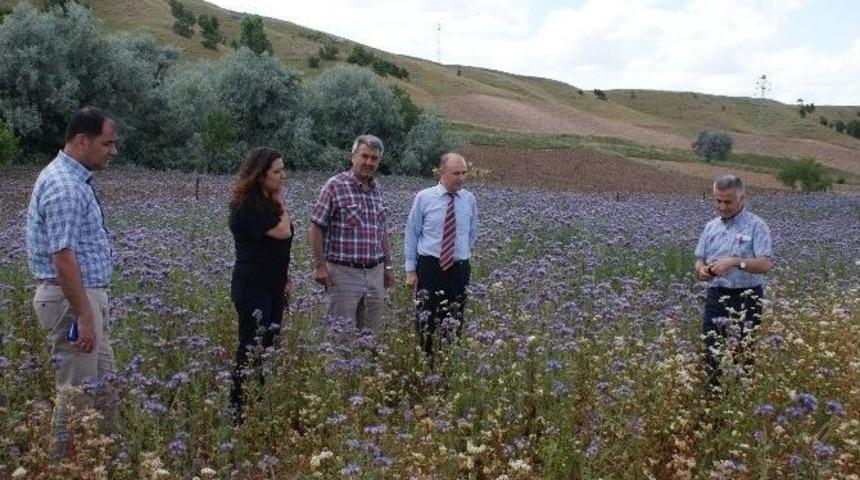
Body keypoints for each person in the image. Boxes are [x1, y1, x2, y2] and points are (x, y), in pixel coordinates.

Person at [27, 106, 119, 459]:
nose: (113, 151)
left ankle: (106, 462)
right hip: (73, 303)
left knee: (106, 391)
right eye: (107, 143)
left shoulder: (74, 180)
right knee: (78, 394)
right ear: (82, 140)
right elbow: (62, 256)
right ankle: (67, 467)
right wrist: (83, 316)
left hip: (82, 300)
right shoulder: (65, 186)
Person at [228, 147, 294, 422]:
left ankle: (254, 402)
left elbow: (280, 249)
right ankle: (237, 412)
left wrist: (286, 278)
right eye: (277, 172)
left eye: (282, 170)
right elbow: (283, 231)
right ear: (260, 174)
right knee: (250, 347)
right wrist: (280, 199)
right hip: (252, 285)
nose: (282, 177)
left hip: (274, 284)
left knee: (266, 346)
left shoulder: (267, 203)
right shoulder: (246, 206)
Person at [309, 134, 394, 332]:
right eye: (364, 156)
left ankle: (367, 364)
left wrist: (388, 266)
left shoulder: (377, 189)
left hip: (375, 273)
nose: (369, 162)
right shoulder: (335, 185)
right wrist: (320, 266)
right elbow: (315, 226)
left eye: (374, 159)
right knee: (339, 337)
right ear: (353, 156)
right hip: (343, 273)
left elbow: (381, 231)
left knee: (370, 335)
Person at [694, 175, 773, 387]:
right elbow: (699, 258)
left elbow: (766, 264)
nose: (722, 206)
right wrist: (702, 270)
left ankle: (739, 404)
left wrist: (735, 262)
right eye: (717, 200)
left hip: (747, 298)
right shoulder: (711, 227)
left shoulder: (757, 226)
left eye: (727, 201)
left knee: (743, 355)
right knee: (711, 353)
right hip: (716, 296)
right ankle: (711, 407)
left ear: (742, 198)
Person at [404, 153, 478, 361]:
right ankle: (424, 364)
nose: (461, 178)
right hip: (430, 267)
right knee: (425, 317)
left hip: (459, 269)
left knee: (455, 318)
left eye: (464, 173)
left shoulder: (469, 200)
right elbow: (412, 233)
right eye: (456, 173)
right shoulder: (424, 197)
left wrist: (459, 254)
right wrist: (410, 270)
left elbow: (472, 233)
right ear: (442, 172)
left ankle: (449, 363)